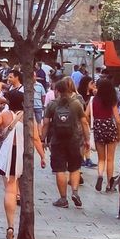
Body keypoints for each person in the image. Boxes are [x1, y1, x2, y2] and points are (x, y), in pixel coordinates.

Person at [0, 88, 45, 239]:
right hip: (23, 155)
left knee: (9, 189)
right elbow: (36, 139)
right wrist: (43, 156)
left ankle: (10, 226)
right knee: (21, 188)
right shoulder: (27, 117)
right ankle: (24, 226)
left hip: (7, 156)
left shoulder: (5, 115)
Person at [42, 76, 90, 209]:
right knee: (75, 167)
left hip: (57, 141)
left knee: (60, 169)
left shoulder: (52, 104)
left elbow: (45, 123)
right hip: (74, 140)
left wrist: (42, 139)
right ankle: (74, 192)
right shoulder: (76, 104)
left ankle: (63, 199)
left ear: (57, 90)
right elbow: (84, 122)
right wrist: (87, 139)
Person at [90, 75, 119, 191]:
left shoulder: (93, 100)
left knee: (101, 158)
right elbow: (117, 118)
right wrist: (119, 131)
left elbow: (86, 114)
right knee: (110, 158)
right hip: (109, 127)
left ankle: (100, 175)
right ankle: (109, 184)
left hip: (98, 127)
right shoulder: (112, 100)